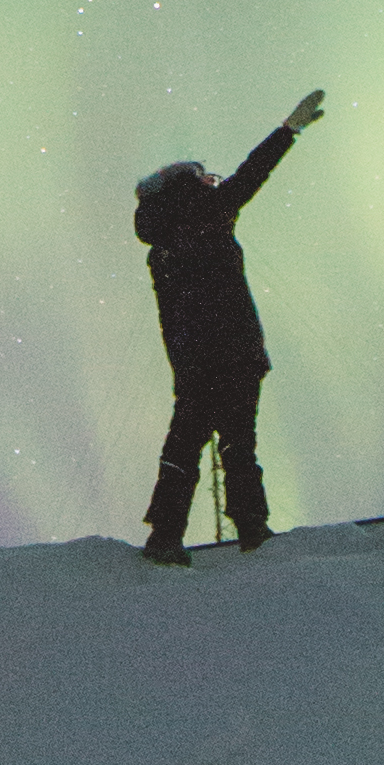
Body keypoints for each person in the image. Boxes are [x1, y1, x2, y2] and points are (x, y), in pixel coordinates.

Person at [132, 87, 324, 562]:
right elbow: (252, 173)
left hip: (194, 363)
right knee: (239, 446)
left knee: (182, 449)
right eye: (202, 178)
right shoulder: (211, 215)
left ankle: (165, 538)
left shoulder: (162, 249)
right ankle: (253, 531)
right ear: (188, 186)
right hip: (235, 352)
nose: (211, 183)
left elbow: (171, 318)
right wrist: (288, 130)